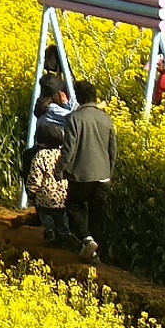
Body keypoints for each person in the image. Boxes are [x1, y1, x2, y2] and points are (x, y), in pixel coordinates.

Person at [61, 90, 117, 258]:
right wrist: (110, 172)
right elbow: (113, 149)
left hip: (82, 175)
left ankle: (86, 240)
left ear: (79, 98)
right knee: (98, 212)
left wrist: (61, 169)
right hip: (103, 175)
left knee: (74, 206)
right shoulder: (106, 118)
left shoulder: (75, 118)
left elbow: (69, 149)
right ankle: (98, 252)